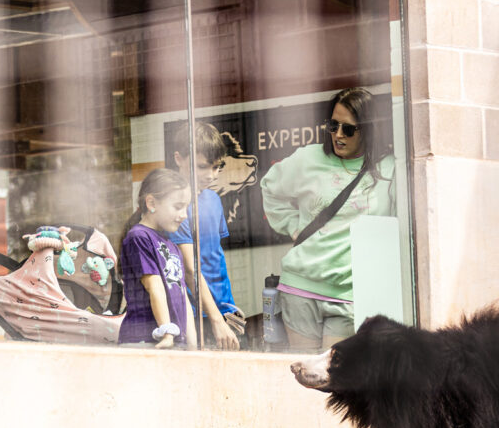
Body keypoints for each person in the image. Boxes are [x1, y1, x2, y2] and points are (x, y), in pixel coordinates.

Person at [260, 86, 396, 353]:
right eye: (333, 126)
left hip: (350, 294)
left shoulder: (389, 168)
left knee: (335, 378)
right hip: (300, 287)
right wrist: (293, 227)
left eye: (349, 129)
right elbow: (270, 188)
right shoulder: (309, 158)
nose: (338, 135)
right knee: (308, 378)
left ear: (369, 130)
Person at [168, 122, 241, 350]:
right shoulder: (175, 206)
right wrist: (216, 320)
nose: (211, 175)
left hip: (224, 307)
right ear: (179, 158)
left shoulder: (213, 199)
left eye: (217, 167)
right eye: (202, 167)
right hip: (195, 314)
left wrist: (228, 309)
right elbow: (189, 270)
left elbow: (214, 257)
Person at [117, 168, 196, 350]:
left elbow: (183, 297)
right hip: (146, 340)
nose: (184, 215)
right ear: (152, 202)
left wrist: (193, 345)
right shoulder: (139, 237)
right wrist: (167, 331)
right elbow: (154, 287)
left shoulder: (172, 246)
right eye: (178, 206)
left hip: (172, 341)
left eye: (186, 207)